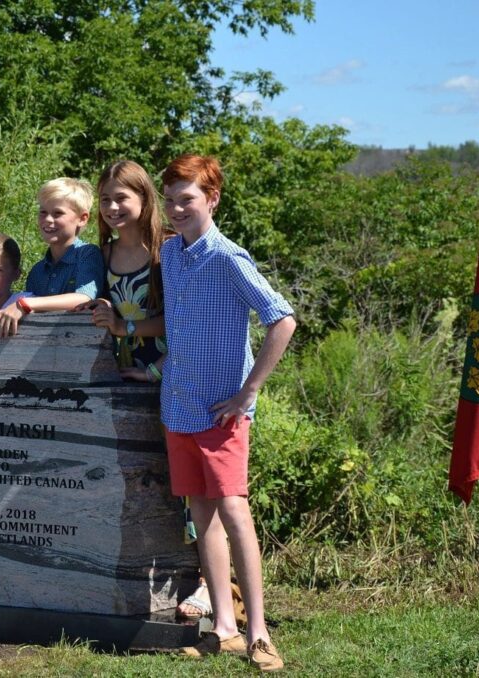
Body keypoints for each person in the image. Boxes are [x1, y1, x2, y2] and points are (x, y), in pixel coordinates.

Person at [147, 154, 295, 672]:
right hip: (178, 406)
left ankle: (260, 633)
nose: (176, 208)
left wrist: (247, 393)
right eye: (169, 200)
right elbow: (181, 328)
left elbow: (283, 320)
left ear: (212, 199)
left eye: (186, 199)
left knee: (234, 511)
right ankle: (225, 629)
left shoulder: (229, 257)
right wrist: (151, 368)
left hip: (222, 413)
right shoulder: (171, 251)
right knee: (202, 515)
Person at [84, 160, 227, 621]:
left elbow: (180, 321)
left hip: (170, 372)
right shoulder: (99, 257)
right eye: (104, 199)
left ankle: (209, 585)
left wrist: (126, 327)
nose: (111, 207)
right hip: (121, 376)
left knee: (191, 482)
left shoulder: (169, 252)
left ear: (145, 199)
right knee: (142, 476)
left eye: (121, 197)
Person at [0, 178, 104, 337]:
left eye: (58, 213)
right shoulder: (37, 271)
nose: (48, 219)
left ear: (82, 218)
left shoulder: (87, 254)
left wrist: (25, 304)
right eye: (43, 212)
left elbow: (84, 298)